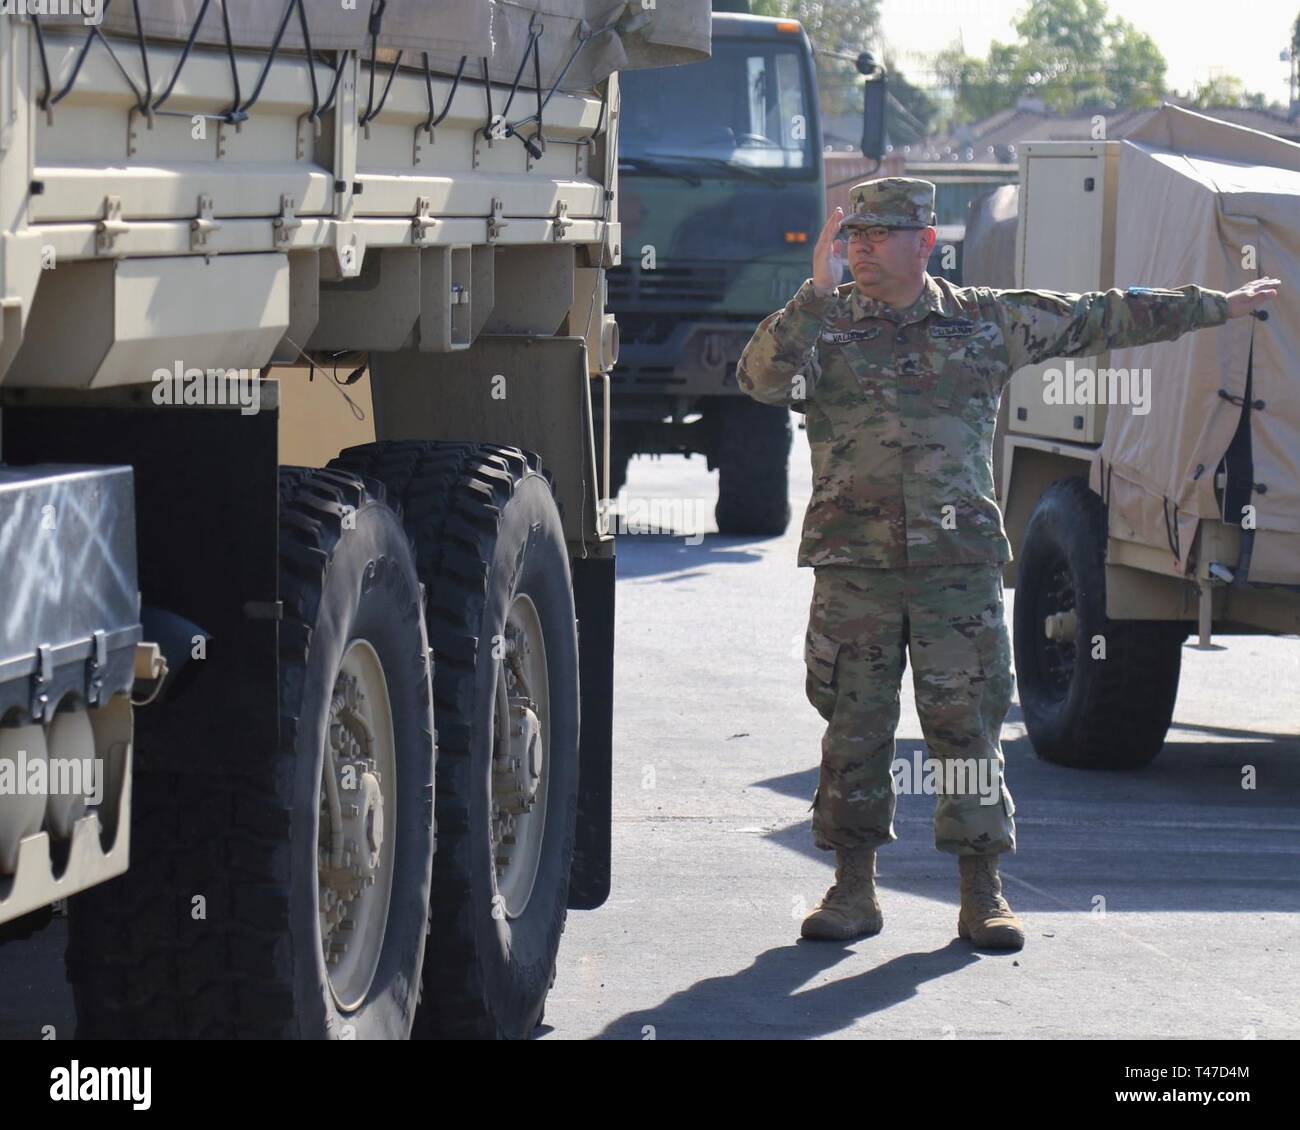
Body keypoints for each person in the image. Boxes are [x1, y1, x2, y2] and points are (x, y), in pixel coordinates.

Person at [737, 177, 1280, 950]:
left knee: (964, 731)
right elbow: (757, 380)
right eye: (853, 234)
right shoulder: (824, 328)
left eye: (878, 234)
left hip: (956, 568)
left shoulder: (983, 322)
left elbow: (1102, 318)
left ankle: (981, 890)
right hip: (854, 568)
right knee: (855, 730)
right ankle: (853, 888)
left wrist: (1214, 306)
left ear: (925, 243)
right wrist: (811, 298)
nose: (859, 246)